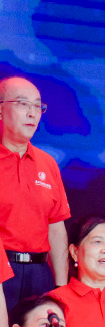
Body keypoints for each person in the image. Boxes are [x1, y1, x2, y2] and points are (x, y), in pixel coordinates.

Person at [0, 76, 68, 311]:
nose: (32, 113)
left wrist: (61, 287)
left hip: (39, 274)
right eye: (23, 104)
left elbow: (56, 229)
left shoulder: (48, 164)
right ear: (1, 110)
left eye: (37, 106)